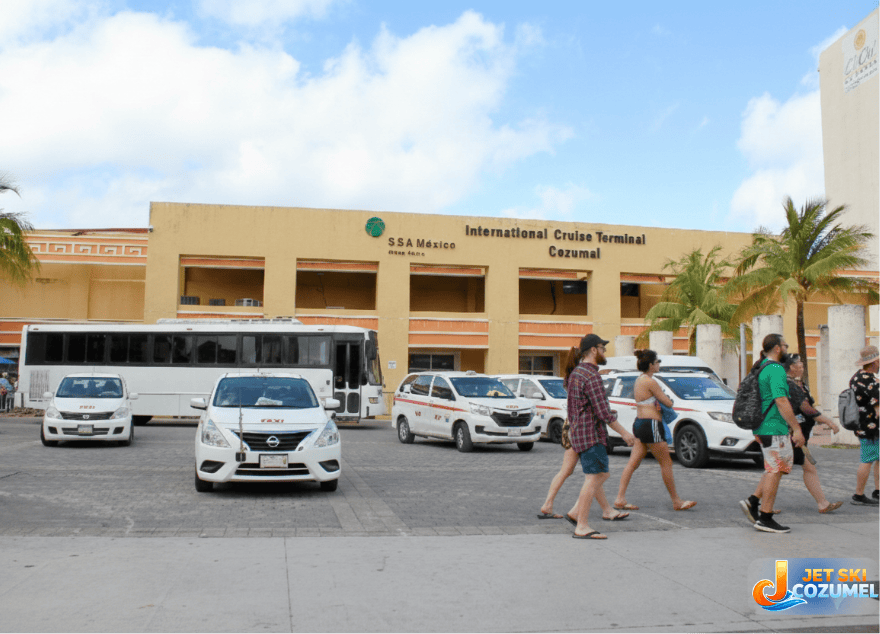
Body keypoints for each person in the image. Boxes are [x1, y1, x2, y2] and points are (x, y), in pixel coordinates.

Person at [746, 354, 843, 514]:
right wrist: (828, 421)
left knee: (776, 470)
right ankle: (759, 505)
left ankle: (760, 503)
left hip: (792, 434)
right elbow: (805, 407)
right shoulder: (788, 383)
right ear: (791, 366)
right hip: (790, 435)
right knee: (777, 470)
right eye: (799, 364)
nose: (802, 366)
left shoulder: (796, 383)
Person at [567, 334, 636, 540]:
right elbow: (603, 412)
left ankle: (576, 513)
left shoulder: (576, 373)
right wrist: (624, 433)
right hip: (591, 434)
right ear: (594, 350)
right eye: (603, 348)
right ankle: (581, 525)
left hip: (579, 432)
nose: (605, 352)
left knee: (597, 475)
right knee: (597, 476)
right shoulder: (591, 375)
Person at [613, 349, 696, 512]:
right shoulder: (651, 381)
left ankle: (620, 498)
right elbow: (668, 402)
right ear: (650, 365)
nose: (659, 365)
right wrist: (665, 400)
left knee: (633, 463)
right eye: (657, 362)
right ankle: (676, 501)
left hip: (640, 423)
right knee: (666, 463)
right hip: (651, 425)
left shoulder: (639, 380)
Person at [739, 334, 805, 533]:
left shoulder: (762, 367)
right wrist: (797, 428)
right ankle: (765, 517)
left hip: (765, 427)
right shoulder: (775, 369)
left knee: (774, 468)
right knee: (775, 470)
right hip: (773, 427)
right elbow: (781, 401)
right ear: (777, 348)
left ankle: (753, 502)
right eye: (785, 345)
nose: (787, 348)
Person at [537, 346, 584, 520]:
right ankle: (605, 509)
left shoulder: (569, 377)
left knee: (574, 471)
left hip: (569, 425)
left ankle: (548, 504)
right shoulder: (579, 377)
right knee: (595, 473)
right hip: (579, 428)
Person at [850, 345, 879, 506]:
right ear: (874, 362)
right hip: (872, 427)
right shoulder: (871, 382)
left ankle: (878, 490)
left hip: (861, 423)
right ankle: (858, 494)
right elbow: (878, 408)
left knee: (877, 458)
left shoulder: (856, 377)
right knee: (867, 459)